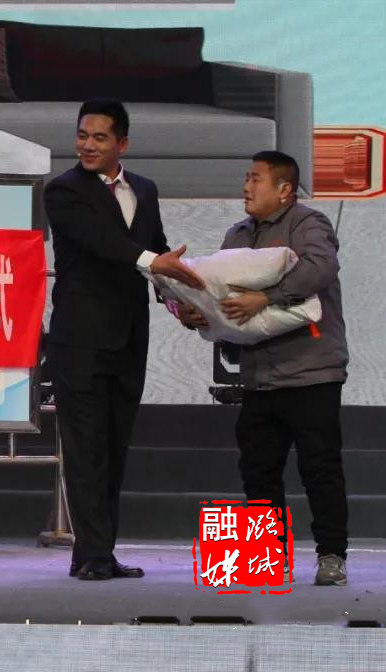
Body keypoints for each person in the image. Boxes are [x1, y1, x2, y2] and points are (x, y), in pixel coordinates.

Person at [45, 98, 204, 581]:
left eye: (99, 137)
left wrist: (181, 304)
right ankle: (93, 553)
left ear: (122, 143)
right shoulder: (63, 190)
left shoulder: (145, 190)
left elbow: (158, 255)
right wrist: (153, 261)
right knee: (86, 449)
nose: (87, 145)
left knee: (113, 449)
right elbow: (103, 242)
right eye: (82, 136)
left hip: (129, 340)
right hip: (80, 341)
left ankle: (97, 552)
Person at [175, 150, 349, 586]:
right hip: (257, 375)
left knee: (320, 468)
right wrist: (194, 312)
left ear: (284, 189)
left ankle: (331, 555)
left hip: (311, 371)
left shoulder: (309, 224)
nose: (246, 187)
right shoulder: (237, 234)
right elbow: (218, 293)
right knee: (257, 468)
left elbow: (321, 268)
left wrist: (266, 298)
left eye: (255, 179)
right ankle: (266, 559)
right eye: (246, 178)